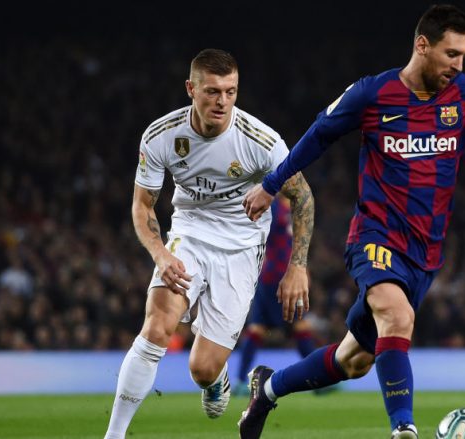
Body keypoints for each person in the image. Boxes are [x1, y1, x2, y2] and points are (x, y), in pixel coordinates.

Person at [239, 5, 465, 438]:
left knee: (353, 361)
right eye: (451, 54)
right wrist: (272, 185)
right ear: (422, 45)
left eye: (464, 56)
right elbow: (318, 136)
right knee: (396, 316)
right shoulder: (372, 93)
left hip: (425, 252)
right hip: (375, 235)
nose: (459, 65)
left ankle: (267, 388)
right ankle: (404, 429)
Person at [103, 48, 314, 439]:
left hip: (241, 250)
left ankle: (215, 379)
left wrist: (298, 265)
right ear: (191, 89)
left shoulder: (261, 141)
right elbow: (142, 205)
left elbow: (302, 196)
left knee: (201, 369)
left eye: (230, 92)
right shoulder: (162, 136)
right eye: (213, 91)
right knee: (156, 328)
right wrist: (160, 254)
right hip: (190, 235)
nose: (222, 101)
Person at [233, 196, 325, 396]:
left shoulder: (289, 205)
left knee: (259, 328)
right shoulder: (272, 206)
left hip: (280, 274)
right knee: (298, 325)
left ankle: (240, 381)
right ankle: (318, 379)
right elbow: (258, 235)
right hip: (277, 276)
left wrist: (302, 269)